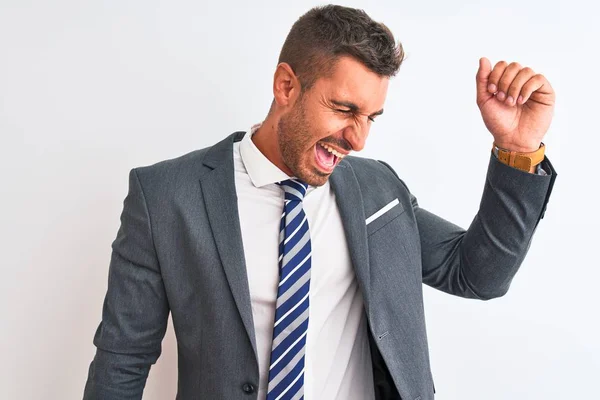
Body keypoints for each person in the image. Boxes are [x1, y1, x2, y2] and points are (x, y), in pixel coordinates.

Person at [83, 4, 557, 400]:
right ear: (286, 86)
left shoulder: (378, 189)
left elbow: (478, 275)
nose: (358, 138)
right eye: (345, 109)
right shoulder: (167, 195)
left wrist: (517, 149)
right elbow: (123, 360)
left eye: (372, 117)